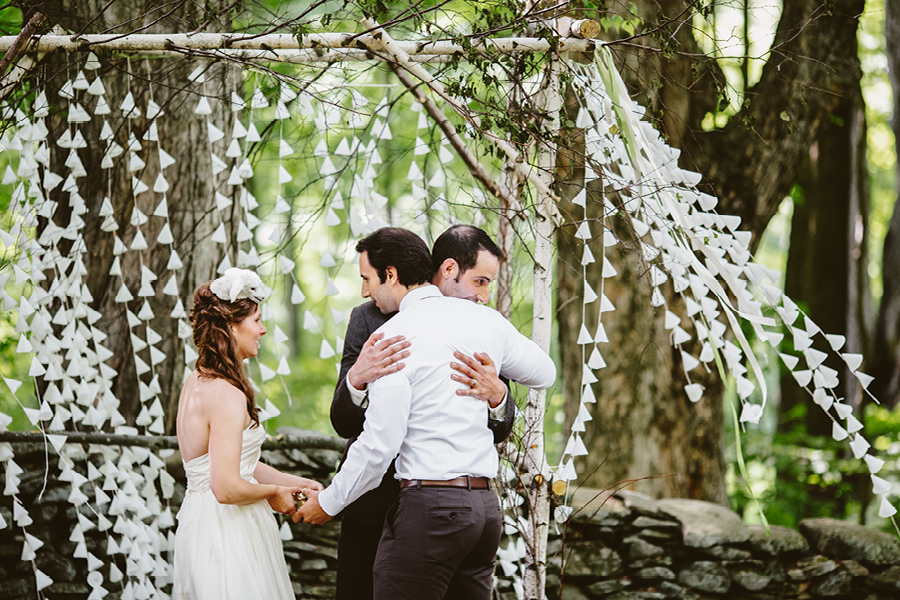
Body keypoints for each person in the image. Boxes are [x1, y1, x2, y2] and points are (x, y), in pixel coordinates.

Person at [297, 228, 556, 600]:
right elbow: (544, 373)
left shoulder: (396, 335)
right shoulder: (489, 324)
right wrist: (356, 378)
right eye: (480, 281)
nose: (365, 291)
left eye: (367, 279)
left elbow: (380, 443)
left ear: (391, 274)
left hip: (428, 511)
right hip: (483, 512)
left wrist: (328, 502)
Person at [173, 268, 323, 600]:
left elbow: (236, 463)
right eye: (256, 320)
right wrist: (273, 493)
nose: (263, 329)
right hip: (226, 532)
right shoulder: (226, 394)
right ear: (231, 327)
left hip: (205, 522)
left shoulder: (197, 381)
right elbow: (226, 488)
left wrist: (290, 482)